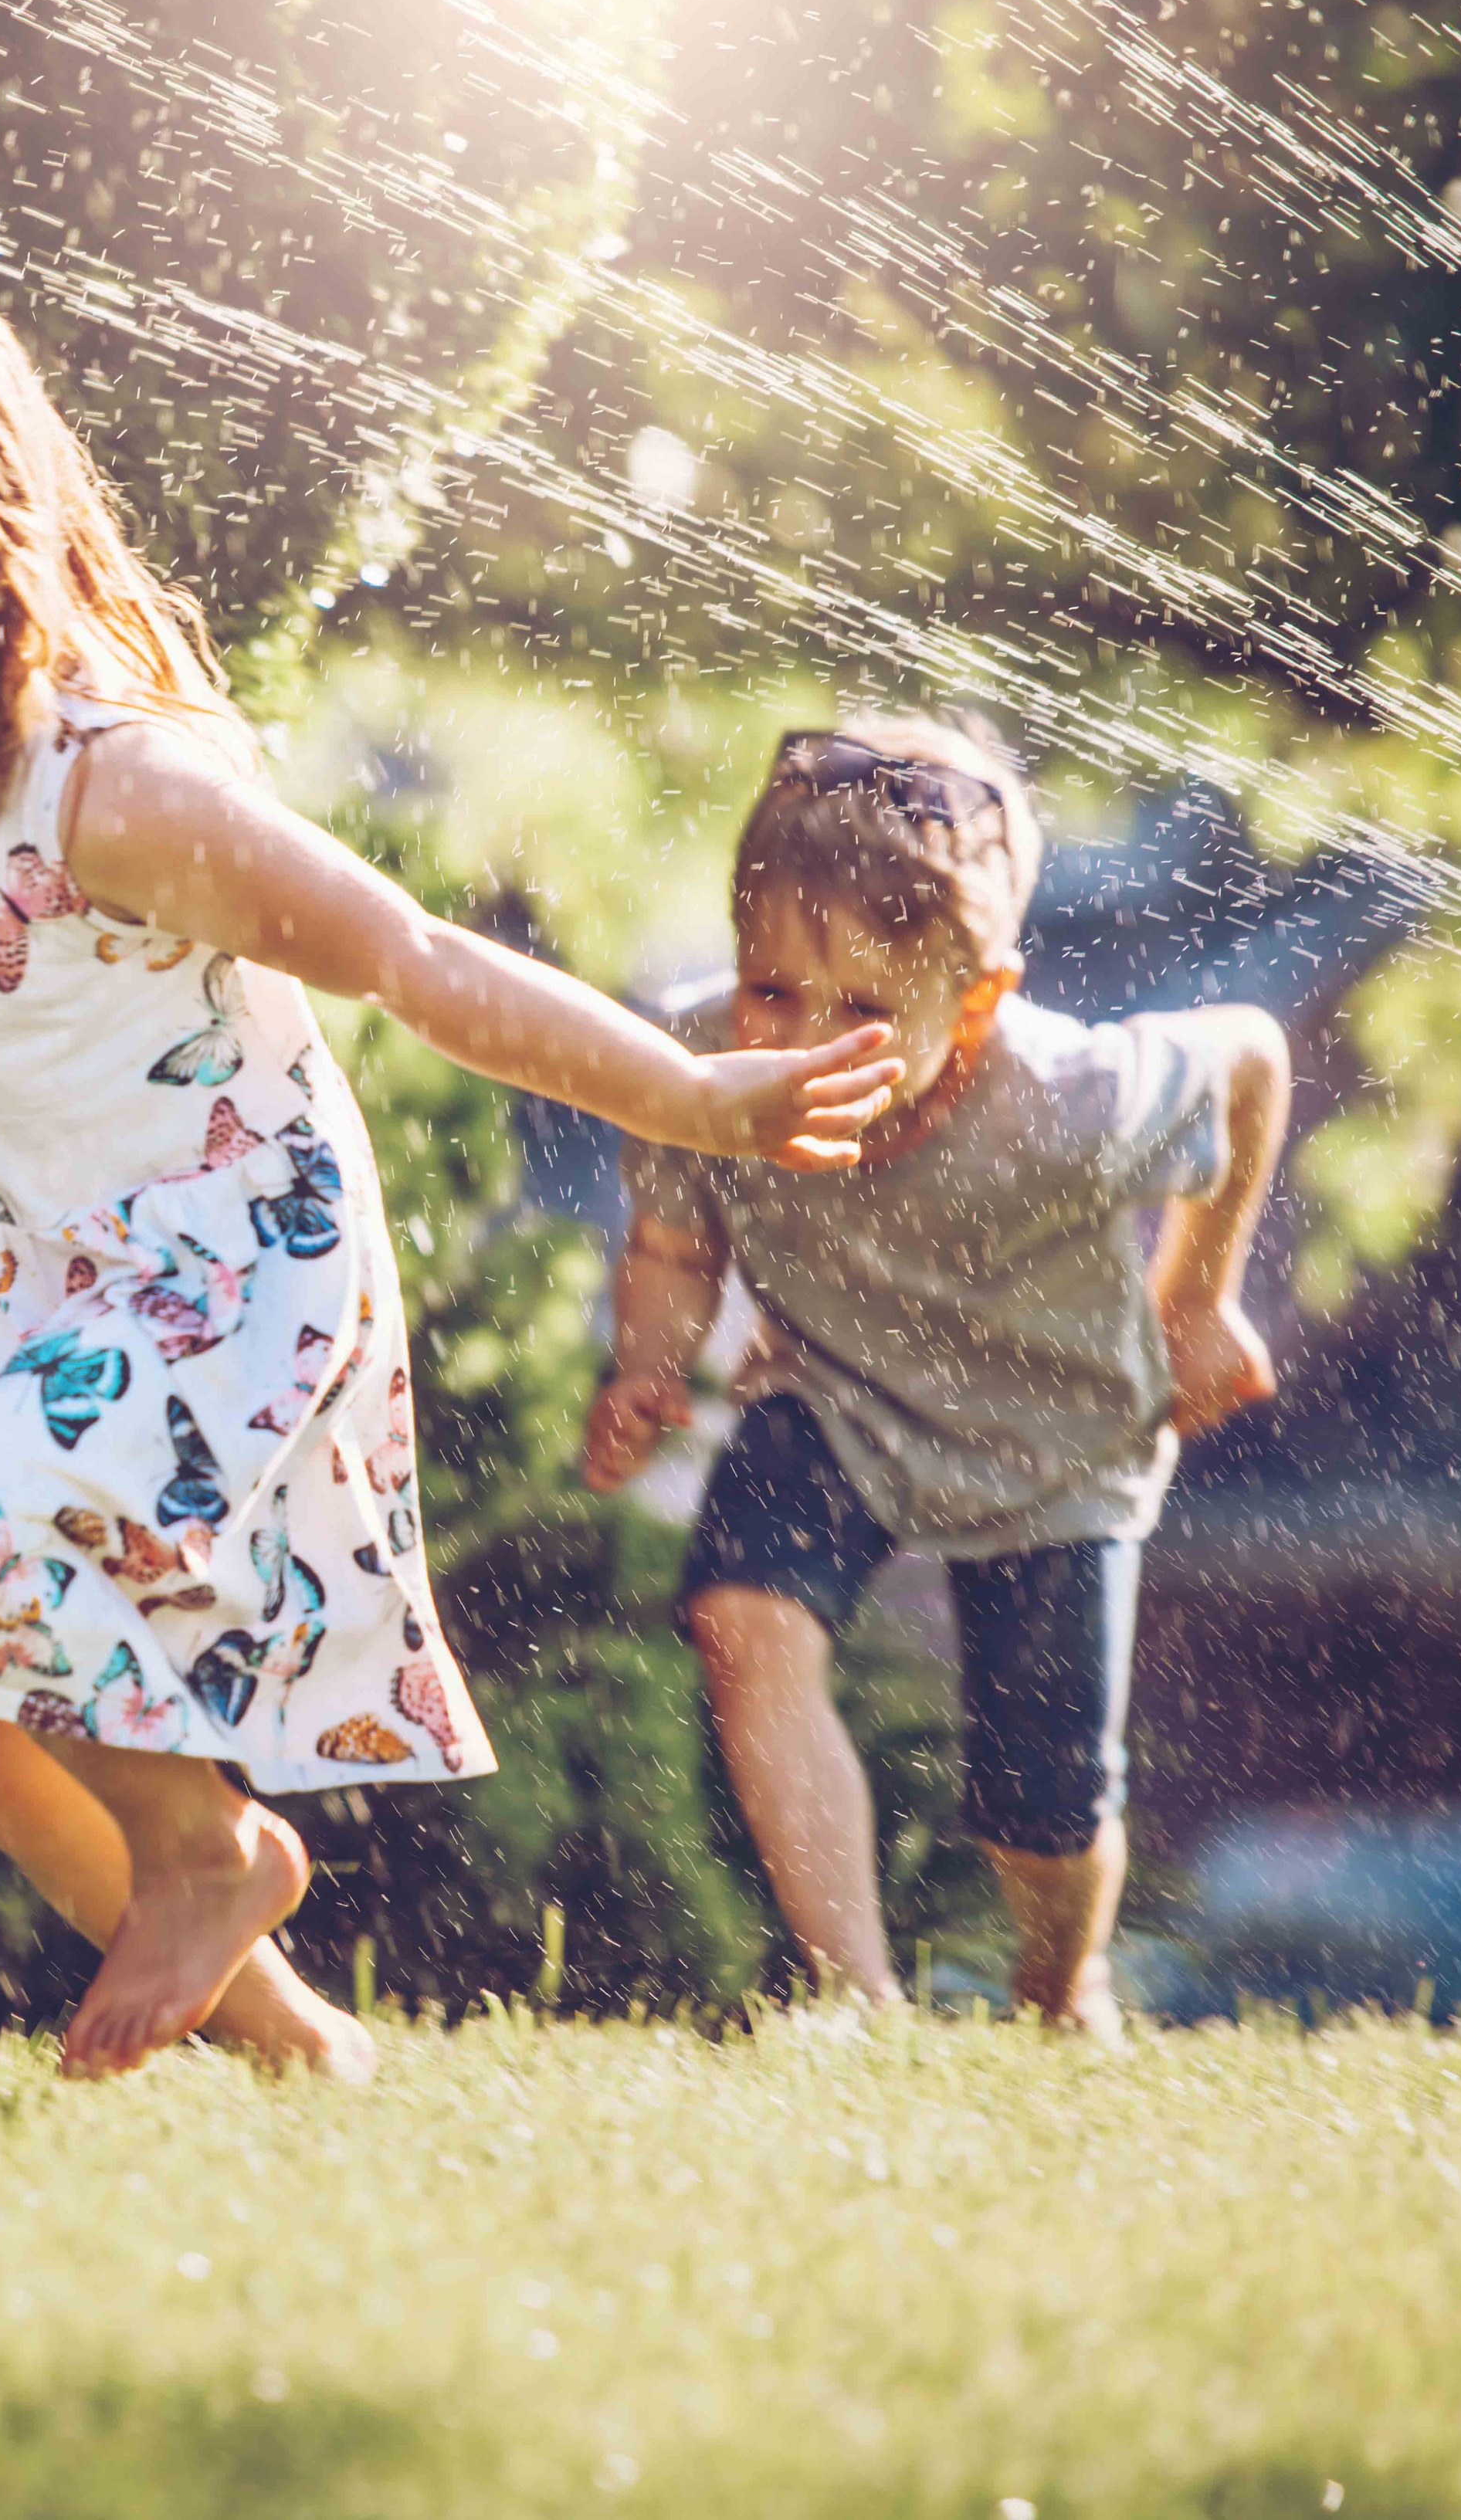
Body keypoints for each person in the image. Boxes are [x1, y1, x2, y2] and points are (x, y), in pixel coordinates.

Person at [0, 267, 902, 2078]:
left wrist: (692, 1095)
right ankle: (296, 2044)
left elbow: (412, 960)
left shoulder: (116, 794)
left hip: (222, 1257)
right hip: (2, 1285)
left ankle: (212, 1850)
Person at [581, 716, 1293, 2034]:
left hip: (1054, 1444)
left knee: (1042, 1802)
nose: (801, 1038)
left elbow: (1253, 1051)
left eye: (862, 1010)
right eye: (771, 987)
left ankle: (1059, 1982)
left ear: (975, 1003)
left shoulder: (1079, 1095)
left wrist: (1198, 1299)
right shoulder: (703, 1071)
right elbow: (678, 1238)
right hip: (832, 1397)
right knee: (745, 1619)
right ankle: (856, 2001)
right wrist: (650, 1359)